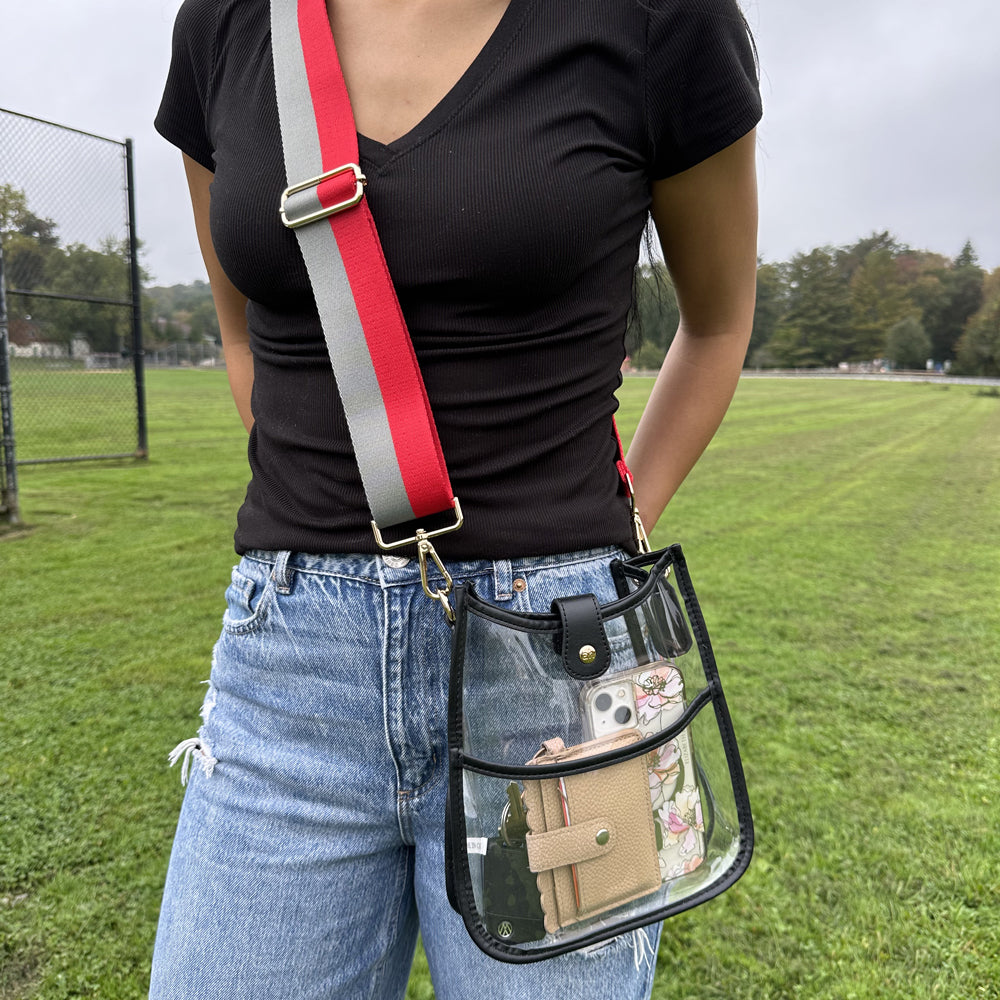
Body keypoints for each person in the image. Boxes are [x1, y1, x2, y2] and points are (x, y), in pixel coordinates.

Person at [149, 0, 761, 996]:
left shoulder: (660, 18)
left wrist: (612, 529)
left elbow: (719, 324)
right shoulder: (226, 22)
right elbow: (243, 333)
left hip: (560, 674)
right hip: (290, 675)